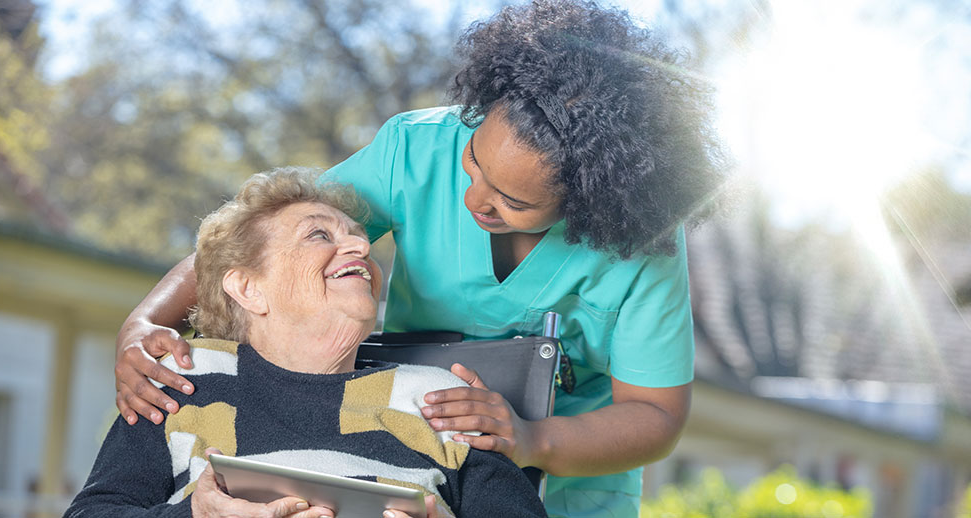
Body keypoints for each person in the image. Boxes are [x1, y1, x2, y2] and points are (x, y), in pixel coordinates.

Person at [112, 1, 726, 515]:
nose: (474, 199)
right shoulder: (419, 149)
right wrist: (145, 320)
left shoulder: (637, 246)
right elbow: (260, 237)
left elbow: (655, 414)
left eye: (511, 200)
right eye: (476, 161)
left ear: (592, 204)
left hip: (572, 464)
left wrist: (532, 437)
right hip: (416, 426)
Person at [68, 168, 548, 518]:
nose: (362, 248)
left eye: (360, 239)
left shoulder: (436, 398)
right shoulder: (183, 380)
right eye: (319, 234)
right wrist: (194, 516)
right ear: (248, 288)